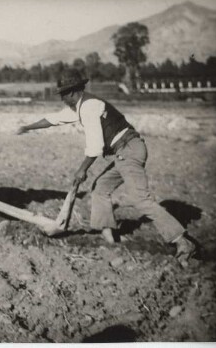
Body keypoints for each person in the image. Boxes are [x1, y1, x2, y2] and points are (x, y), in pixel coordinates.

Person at [17, 69, 196, 265]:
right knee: (100, 188)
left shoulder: (89, 107)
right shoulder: (80, 105)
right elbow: (53, 119)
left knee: (140, 199)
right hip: (124, 151)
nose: (61, 99)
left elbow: (95, 146)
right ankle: (109, 237)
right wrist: (27, 127)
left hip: (128, 150)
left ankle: (182, 241)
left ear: (70, 93)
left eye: (62, 95)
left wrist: (82, 169)